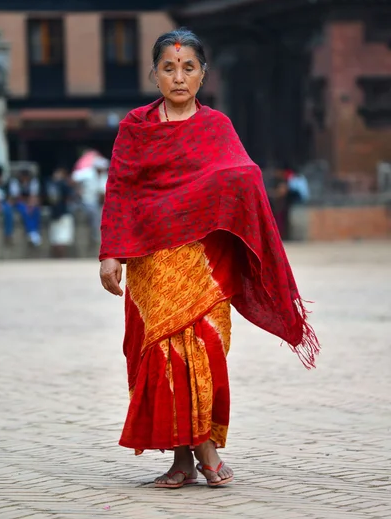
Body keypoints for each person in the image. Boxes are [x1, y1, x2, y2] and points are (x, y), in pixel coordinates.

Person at [99, 28, 319, 489]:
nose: (178, 77)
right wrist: (110, 253)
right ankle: (192, 456)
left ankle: (197, 449)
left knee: (206, 345)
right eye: (168, 68)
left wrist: (225, 191)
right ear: (154, 74)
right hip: (153, 259)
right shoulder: (135, 129)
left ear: (203, 75)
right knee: (163, 353)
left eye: (189, 68)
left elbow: (241, 174)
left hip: (204, 259)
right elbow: (120, 191)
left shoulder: (217, 127)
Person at [47, 167, 75, 258]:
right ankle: (60, 258)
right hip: (61, 214)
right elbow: (69, 198)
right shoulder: (61, 184)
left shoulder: (52, 184)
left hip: (58, 214)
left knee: (58, 239)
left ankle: (59, 258)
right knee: (60, 239)